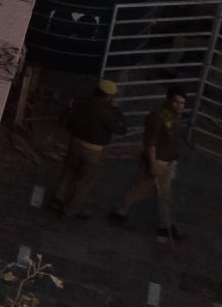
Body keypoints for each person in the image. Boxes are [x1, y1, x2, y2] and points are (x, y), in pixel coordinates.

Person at [112, 85, 190, 241]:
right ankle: (119, 212)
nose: (180, 106)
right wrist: (153, 164)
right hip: (158, 161)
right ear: (168, 100)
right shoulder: (157, 116)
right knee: (141, 190)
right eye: (176, 102)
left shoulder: (174, 115)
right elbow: (151, 143)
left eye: (182, 103)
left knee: (165, 195)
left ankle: (164, 226)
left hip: (168, 161)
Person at [55, 77, 126, 216]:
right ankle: (73, 209)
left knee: (69, 170)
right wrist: (117, 111)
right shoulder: (108, 112)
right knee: (86, 180)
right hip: (93, 149)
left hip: (74, 142)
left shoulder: (80, 101)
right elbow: (121, 129)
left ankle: (58, 198)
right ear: (108, 96)